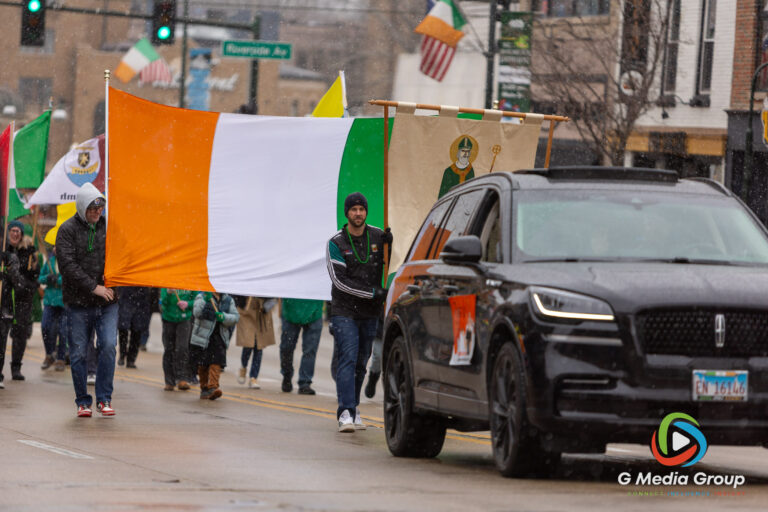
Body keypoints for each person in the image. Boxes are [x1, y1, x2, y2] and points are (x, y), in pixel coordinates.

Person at [326, 192, 391, 432]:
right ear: (347, 213)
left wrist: (391, 243)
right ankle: (345, 412)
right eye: (353, 209)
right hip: (344, 311)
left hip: (370, 313)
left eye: (361, 209)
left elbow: (392, 263)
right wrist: (372, 293)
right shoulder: (336, 243)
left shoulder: (377, 235)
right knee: (348, 358)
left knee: (362, 363)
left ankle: (354, 408)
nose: (358, 213)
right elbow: (339, 282)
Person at [56, 183, 117, 417]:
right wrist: (94, 287)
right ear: (82, 208)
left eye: (100, 208)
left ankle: (104, 398)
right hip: (78, 303)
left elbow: (123, 254)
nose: (97, 212)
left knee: (108, 346)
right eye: (92, 208)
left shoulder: (109, 227)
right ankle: (83, 401)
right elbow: (67, 266)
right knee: (79, 353)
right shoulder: (67, 230)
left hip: (108, 302)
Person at [0, 220, 40, 384]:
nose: (15, 233)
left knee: (20, 334)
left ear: (22, 234)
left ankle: (16, 367)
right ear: (8, 232)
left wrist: (26, 282)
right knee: (2, 335)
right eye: (13, 230)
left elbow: (35, 277)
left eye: (18, 231)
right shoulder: (3, 249)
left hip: (23, 299)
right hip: (5, 298)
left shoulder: (29, 253)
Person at [190, 291, 239, 400]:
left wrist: (224, 317)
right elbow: (197, 312)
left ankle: (213, 387)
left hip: (219, 336)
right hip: (203, 337)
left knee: (216, 362)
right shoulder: (201, 296)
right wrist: (205, 301)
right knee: (203, 364)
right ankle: (204, 388)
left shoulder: (228, 300)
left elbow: (235, 317)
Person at [280, 298, 324, 395]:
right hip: (290, 309)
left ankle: (305, 382)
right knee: (286, 347)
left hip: (314, 311)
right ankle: (287, 374)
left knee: (310, 349)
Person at [234, 296, 276, 389]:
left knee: (259, 347)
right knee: (248, 344)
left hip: (262, 312)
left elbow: (274, 297)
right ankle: (243, 366)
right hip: (247, 311)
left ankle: (253, 377)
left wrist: (267, 305)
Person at [38, 246, 70, 372]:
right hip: (49, 301)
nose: (56, 248)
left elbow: (71, 278)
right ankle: (49, 354)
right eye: (55, 246)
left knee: (63, 331)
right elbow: (40, 278)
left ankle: (61, 358)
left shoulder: (68, 262)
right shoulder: (49, 261)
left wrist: (59, 280)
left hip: (64, 301)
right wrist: (48, 278)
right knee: (45, 327)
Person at [159, 288, 197, 391]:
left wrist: (188, 304)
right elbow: (162, 303)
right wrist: (168, 293)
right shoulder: (167, 284)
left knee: (182, 348)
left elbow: (197, 300)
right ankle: (169, 381)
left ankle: (182, 378)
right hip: (168, 319)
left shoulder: (190, 282)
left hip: (184, 319)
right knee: (169, 349)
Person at [116, 286, 152, 368]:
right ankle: (122, 354)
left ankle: (131, 359)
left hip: (140, 301)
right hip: (126, 298)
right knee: (123, 329)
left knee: (137, 331)